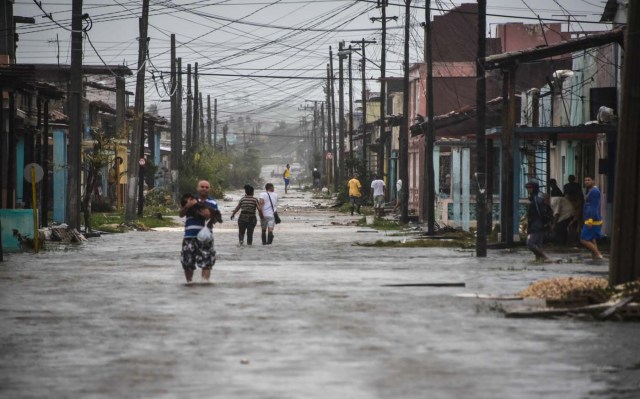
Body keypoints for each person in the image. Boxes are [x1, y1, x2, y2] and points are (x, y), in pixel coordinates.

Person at [179, 180, 221, 283]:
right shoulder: (190, 199)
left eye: (206, 187)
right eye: (202, 187)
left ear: (209, 189)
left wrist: (208, 214)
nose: (204, 189)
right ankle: (189, 283)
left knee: (206, 262)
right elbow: (180, 214)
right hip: (189, 236)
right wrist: (187, 206)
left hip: (205, 238)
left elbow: (214, 218)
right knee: (187, 262)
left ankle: (205, 283)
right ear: (197, 188)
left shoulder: (212, 202)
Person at [525, 180, 554, 263]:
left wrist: (546, 224)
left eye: (530, 187)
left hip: (537, 225)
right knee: (538, 244)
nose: (528, 189)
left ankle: (546, 258)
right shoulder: (534, 198)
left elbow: (542, 213)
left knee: (530, 243)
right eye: (527, 187)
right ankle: (540, 260)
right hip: (535, 224)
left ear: (534, 188)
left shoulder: (537, 199)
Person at [580, 176, 604, 259]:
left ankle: (598, 254)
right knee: (592, 239)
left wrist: (590, 220)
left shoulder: (594, 191)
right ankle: (595, 255)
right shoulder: (591, 191)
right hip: (590, 218)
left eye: (588, 180)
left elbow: (594, 206)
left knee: (583, 239)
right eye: (585, 180)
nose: (586, 182)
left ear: (593, 181)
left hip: (592, 220)